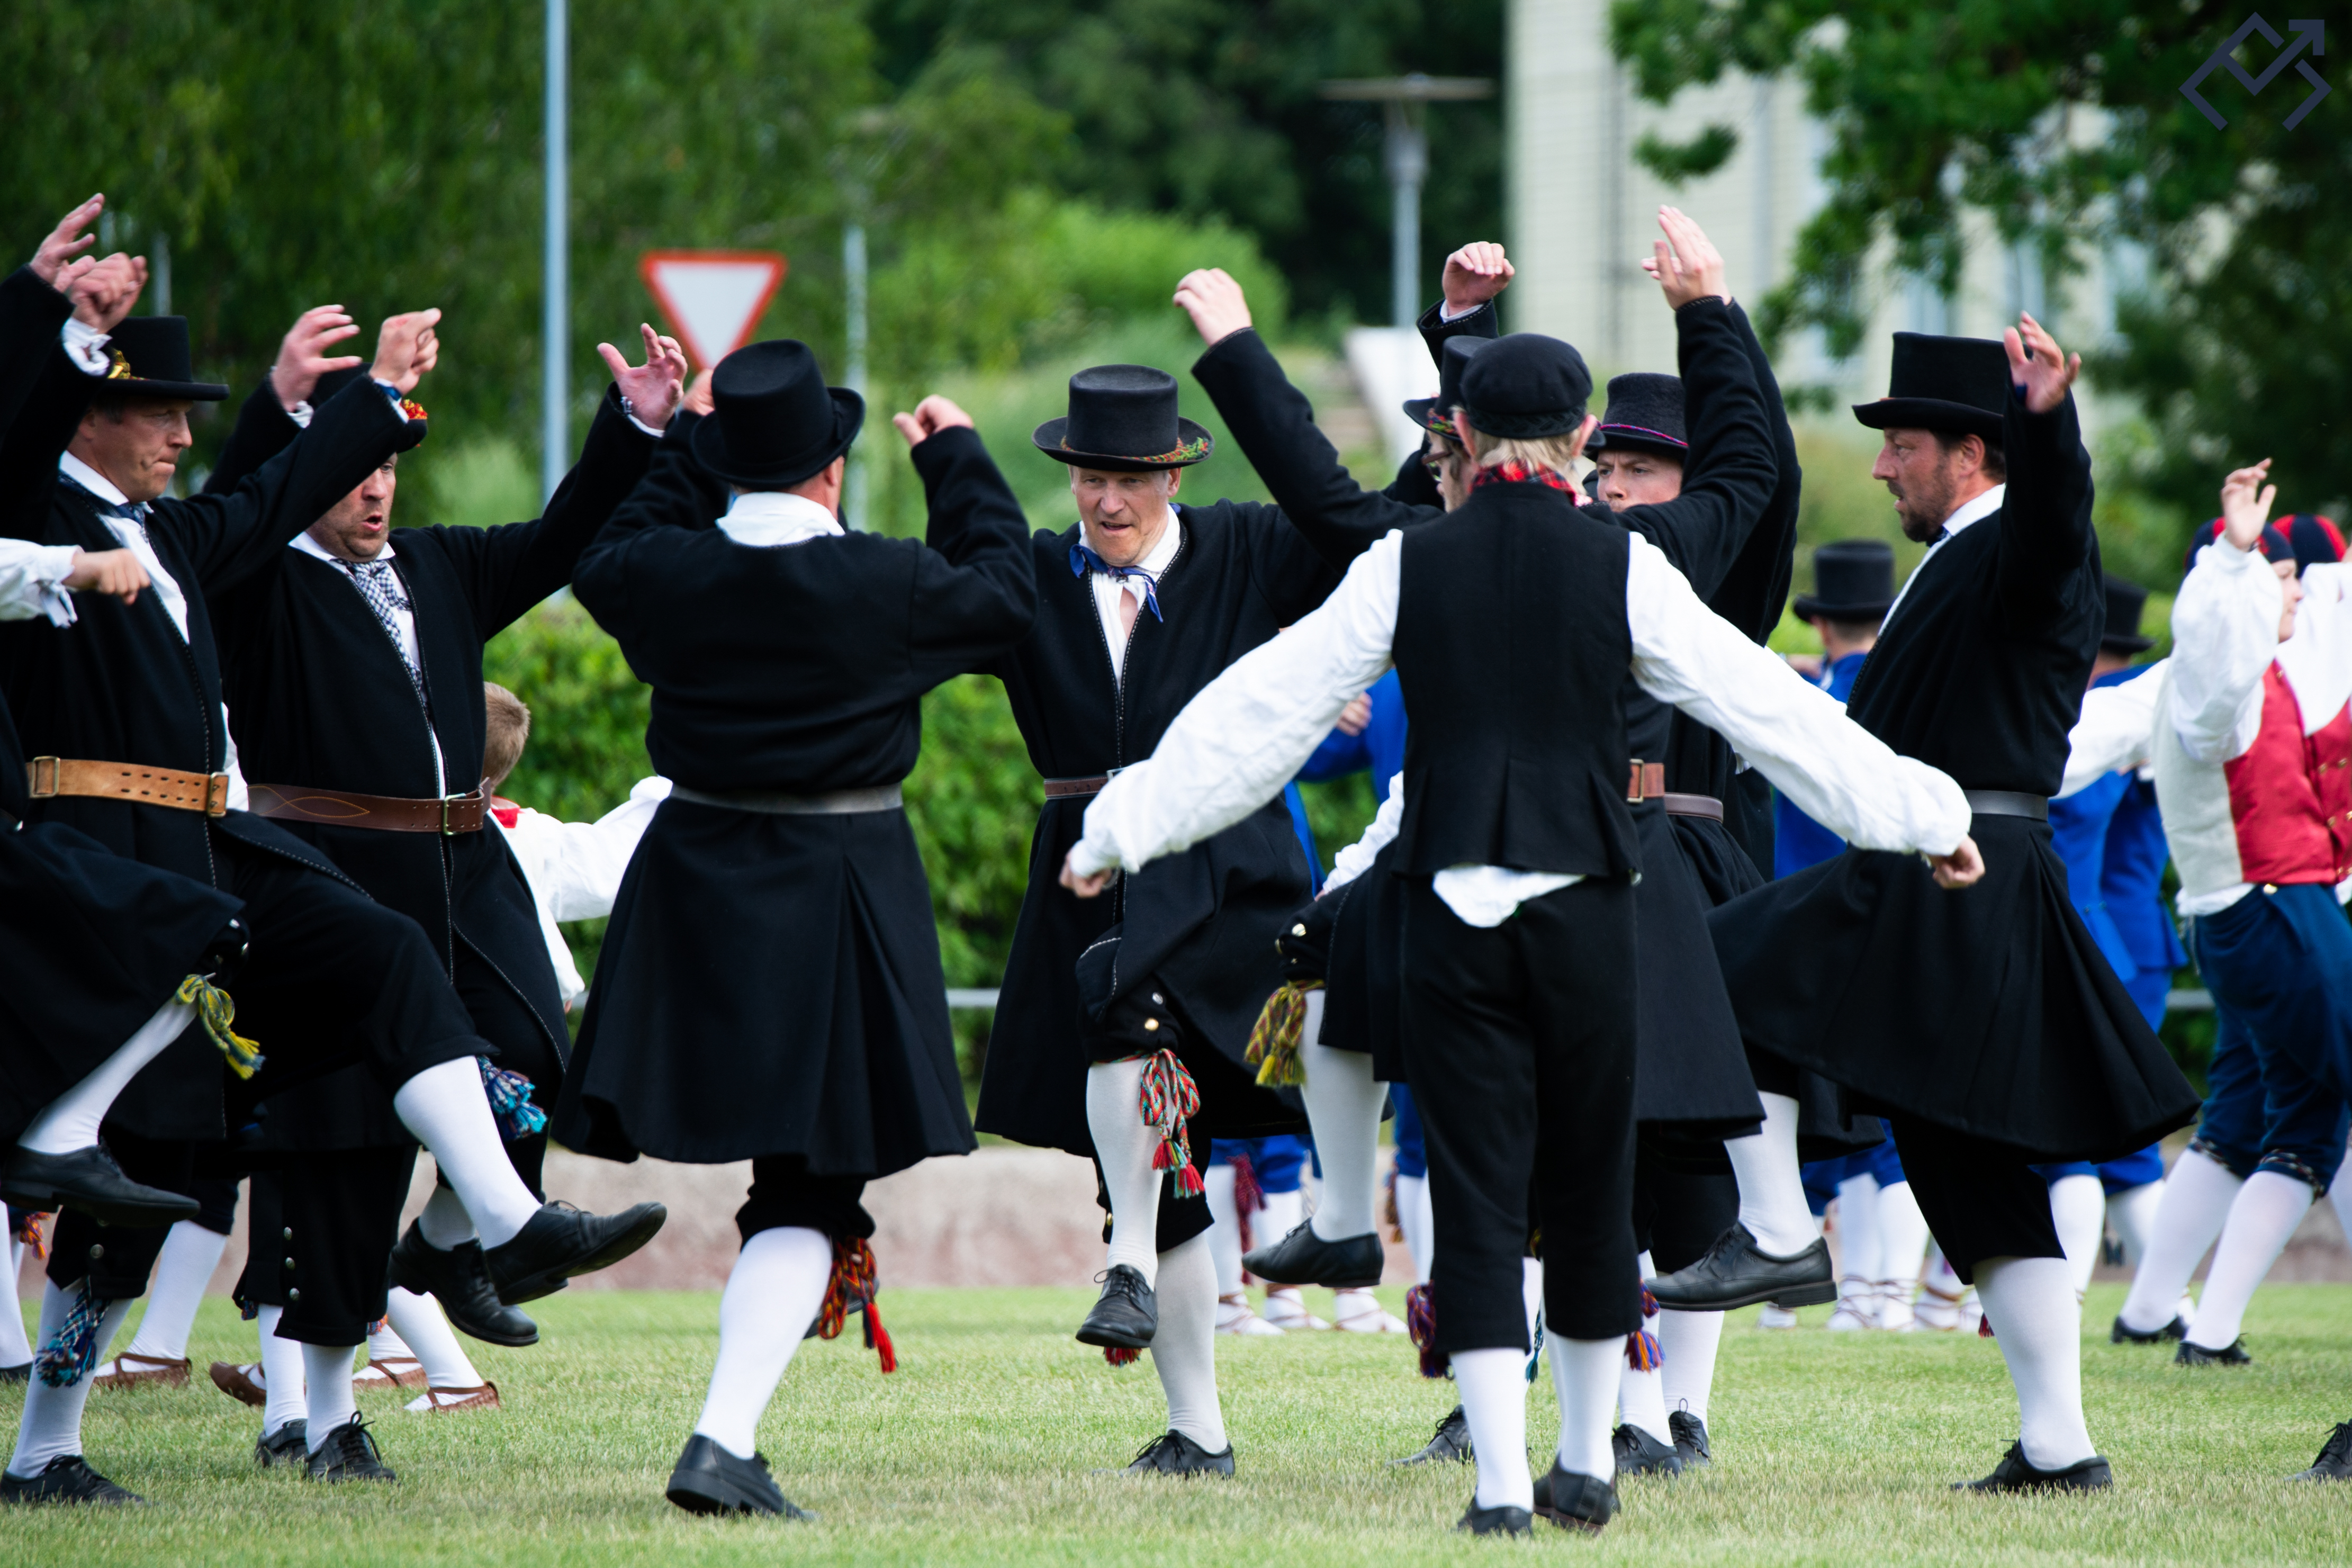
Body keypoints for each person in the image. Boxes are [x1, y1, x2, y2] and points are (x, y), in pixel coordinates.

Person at [1059, 329, 1980, 1535]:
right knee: (1592, 1188)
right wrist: (1921, 817)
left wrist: (1116, 828)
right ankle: (1587, 1459)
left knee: (1480, 1195)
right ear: (1578, 443)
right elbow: (1766, 709)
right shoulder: (1625, 567)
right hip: (1591, 910)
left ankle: (1499, 1487)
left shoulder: (1405, 563)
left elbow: (1259, 712)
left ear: (1464, 441)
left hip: (1448, 913)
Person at [0, 259, 663, 1503]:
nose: (184, 435)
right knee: (137, 1195)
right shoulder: (34, 519)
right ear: (87, 408)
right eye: (161, 412)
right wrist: (53, 327)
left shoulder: (177, 535)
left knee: (388, 961)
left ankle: (500, 1219)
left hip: (215, 859)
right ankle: (44, 1444)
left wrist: (376, 398)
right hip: (101, 876)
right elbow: (46, 436)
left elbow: (272, 489)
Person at [1185, 211, 1808, 1479]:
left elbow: (1756, 480)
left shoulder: (1664, 564)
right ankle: (1422, 1302)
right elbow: (1354, 496)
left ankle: (1652, 1414)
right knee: (1393, 1021)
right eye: (1611, 460)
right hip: (1542, 865)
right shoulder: (1495, 548)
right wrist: (1683, 314)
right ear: (1574, 447)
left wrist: (1711, 320)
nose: (1624, 482)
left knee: (1652, 1163)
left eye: (1647, 466)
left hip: (1650, 862)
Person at [1666, 319, 2201, 1493]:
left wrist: (2052, 425)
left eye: (1901, 443)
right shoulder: (1957, 550)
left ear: (1973, 454)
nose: (1878, 465)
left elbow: (2061, 521)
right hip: (1942, 869)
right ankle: (2060, 1450)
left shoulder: (2022, 538)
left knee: (1699, 964)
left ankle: (1772, 1227)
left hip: (1955, 872)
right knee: (1971, 1173)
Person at [553, 340, 1037, 1518]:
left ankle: (727, 1434)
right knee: (814, 1186)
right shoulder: (887, 582)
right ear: (832, 468)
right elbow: (1011, 592)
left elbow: (604, 548)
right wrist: (960, 461)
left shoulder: (662, 572)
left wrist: (675, 440)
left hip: (695, 882)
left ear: (727, 468)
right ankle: (721, 1437)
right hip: (836, 885)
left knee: (801, 1186)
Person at [2060, 479, 2352, 1480]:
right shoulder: (2214, 674)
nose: (2300, 597)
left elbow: (2078, 740)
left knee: (2303, 1125)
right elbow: (2123, 724)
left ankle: (2189, 1320)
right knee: (2315, 1115)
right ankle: (2191, 1320)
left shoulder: (2254, 665)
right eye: (2283, 580)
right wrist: (2230, 564)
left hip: (2267, 914)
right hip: (2272, 912)